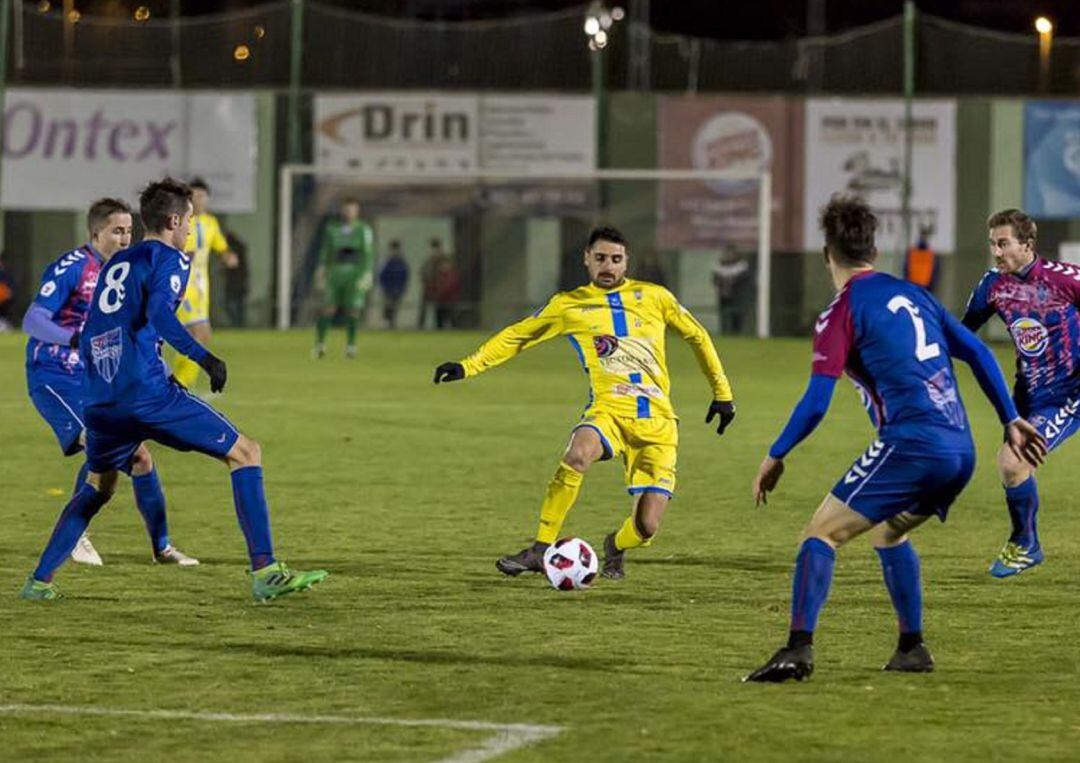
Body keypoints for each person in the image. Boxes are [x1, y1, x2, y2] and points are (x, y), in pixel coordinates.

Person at [745, 196, 1045, 683]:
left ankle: (797, 650)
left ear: (828, 256)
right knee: (889, 533)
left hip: (913, 445)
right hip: (960, 449)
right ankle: (911, 647)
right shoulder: (915, 293)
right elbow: (978, 352)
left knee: (820, 534)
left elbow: (816, 402)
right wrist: (1010, 418)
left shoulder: (840, 311)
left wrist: (776, 454)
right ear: (875, 252)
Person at [20, 178, 328, 602]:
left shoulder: (116, 263)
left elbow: (93, 329)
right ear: (174, 221)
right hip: (148, 395)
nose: (191, 229)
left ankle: (39, 581)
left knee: (99, 485)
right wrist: (204, 358)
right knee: (246, 453)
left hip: (102, 400)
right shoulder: (172, 259)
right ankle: (265, 570)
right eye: (189, 221)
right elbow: (162, 316)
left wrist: (98, 389)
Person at [434, 225, 736, 579]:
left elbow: (697, 336)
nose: (608, 266)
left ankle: (615, 547)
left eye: (616, 259)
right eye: (601, 258)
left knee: (647, 527)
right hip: (609, 411)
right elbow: (519, 335)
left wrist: (723, 394)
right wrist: (468, 366)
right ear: (587, 260)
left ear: (626, 262)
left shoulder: (655, 297)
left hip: (658, 422)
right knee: (578, 454)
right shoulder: (569, 305)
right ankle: (541, 548)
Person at [22, 198, 197, 568]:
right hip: (53, 376)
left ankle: (162, 549)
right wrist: (74, 339)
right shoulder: (74, 266)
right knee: (99, 442)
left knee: (140, 456)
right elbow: (33, 319)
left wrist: (164, 375)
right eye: (117, 231)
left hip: (93, 381)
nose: (124, 238)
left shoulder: (125, 273)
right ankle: (77, 536)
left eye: (129, 231)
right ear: (95, 232)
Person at [961, 208, 1080, 577]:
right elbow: (962, 333)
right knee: (1013, 468)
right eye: (992, 244)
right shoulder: (993, 285)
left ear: (1027, 245)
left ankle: (1025, 544)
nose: (996, 252)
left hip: (1069, 392)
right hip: (1028, 393)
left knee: (1012, 462)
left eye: (1003, 244)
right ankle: (1027, 543)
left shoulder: (1066, 279)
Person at [172, 178, 238, 388]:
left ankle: (176, 383)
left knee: (201, 336)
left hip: (201, 285)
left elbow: (220, 245)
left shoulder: (211, 223)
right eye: (194, 196)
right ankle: (179, 386)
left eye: (201, 196)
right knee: (198, 334)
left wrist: (227, 255)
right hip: (183, 283)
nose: (198, 200)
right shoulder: (181, 222)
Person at [313, 198, 375, 358]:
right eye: (346, 209)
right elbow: (326, 251)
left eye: (352, 209)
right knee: (328, 308)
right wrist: (321, 270)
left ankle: (351, 346)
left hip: (355, 273)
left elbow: (368, 253)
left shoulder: (363, 229)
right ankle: (320, 345)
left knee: (353, 309)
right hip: (335, 272)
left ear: (357, 211)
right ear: (342, 211)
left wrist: (367, 273)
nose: (349, 213)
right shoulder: (332, 228)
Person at [712, 247, 751, 335]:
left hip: (737, 298)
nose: (729, 255)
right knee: (724, 316)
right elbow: (715, 280)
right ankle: (724, 332)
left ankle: (736, 334)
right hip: (724, 296)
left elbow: (744, 283)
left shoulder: (742, 267)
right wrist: (720, 289)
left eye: (732, 253)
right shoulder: (720, 267)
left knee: (737, 317)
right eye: (728, 253)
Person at [378, 240, 409, 329]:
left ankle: (392, 324)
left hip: (398, 289)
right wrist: (384, 287)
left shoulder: (401, 262)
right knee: (388, 306)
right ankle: (387, 323)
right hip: (388, 289)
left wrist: (403, 287)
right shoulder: (387, 261)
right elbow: (381, 276)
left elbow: (405, 276)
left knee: (395, 307)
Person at [223, 228, 249, 328]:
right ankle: (238, 325)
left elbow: (232, 264)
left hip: (234, 283)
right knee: (238, 305)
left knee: (231, 305)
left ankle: (237, 325)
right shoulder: (241, 250)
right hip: (241, 282)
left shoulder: (234, 251)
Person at [418, 238, 446, 330]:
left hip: (439, 289)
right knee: (424, 309)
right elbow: (423, 273)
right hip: (428, 288)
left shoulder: (443, 261)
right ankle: (420, 327)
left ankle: (440, 327)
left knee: (440, 311)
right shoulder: (428, 261)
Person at [903, 227, 939, 294]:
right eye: (922, 236)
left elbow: (934, 273)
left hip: (923, 286)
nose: (923, 238)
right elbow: (906, 270)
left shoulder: (930, 254)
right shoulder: (912, 253)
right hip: (916, 286)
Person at [433, 255, 461, 330]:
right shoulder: (438, 275)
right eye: (442, 265)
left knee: (452, 321)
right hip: (440, 301)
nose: (444, 266)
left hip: (450, 301)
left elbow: (452, 287)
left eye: (446, 264)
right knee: (439, 323)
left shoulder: (452, 275)